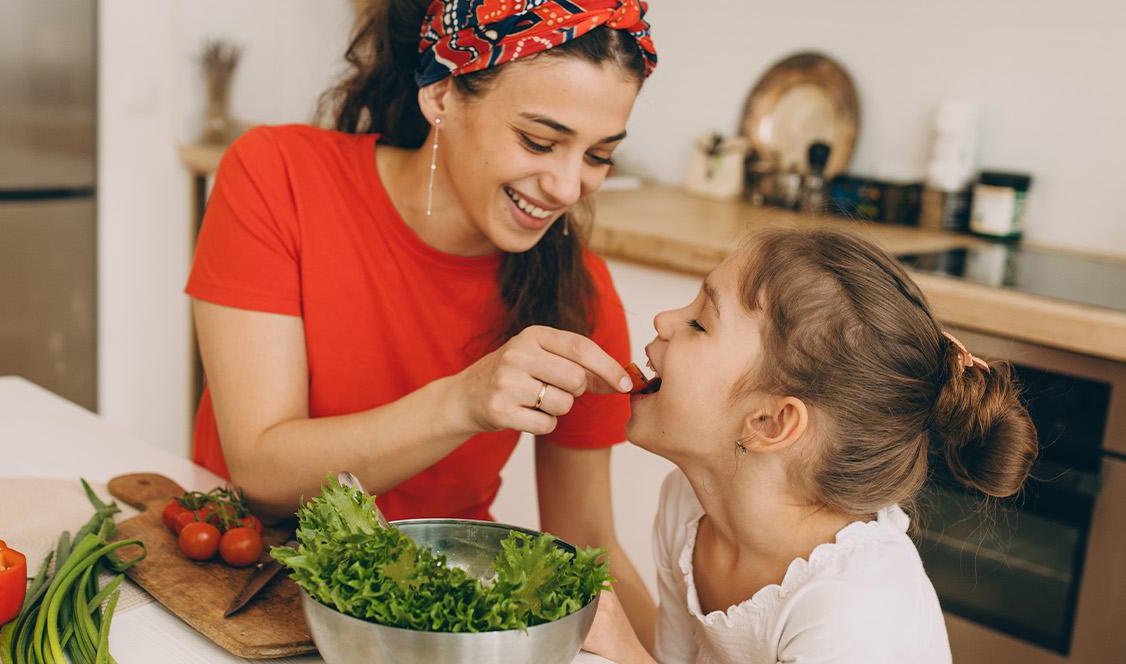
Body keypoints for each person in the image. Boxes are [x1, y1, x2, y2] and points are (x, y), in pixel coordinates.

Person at [185, 0, 661, 642]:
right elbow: (263, 475)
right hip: (230, 588)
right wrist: (466, 400)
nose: (568, 187)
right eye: (539, 142)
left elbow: (585, 539)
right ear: (441, 95)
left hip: (429, 627)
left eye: (599, 155)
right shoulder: (279, 176)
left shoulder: (580, 293)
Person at [582, 228, 1040, 663]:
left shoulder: (850, 607)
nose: (664, 320)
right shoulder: (686, 507)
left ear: (769, 422)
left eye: (700, 324)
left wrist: (624, 652)